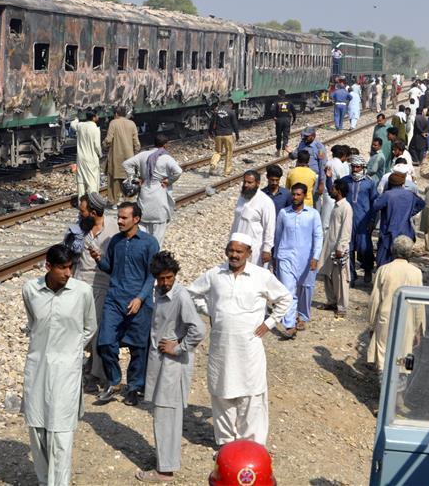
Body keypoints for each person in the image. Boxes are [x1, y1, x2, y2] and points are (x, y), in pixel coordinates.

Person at [187, 234, 292, 445]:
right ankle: (226, 444)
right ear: (226, 251)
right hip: (221, 347)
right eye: (231, 251)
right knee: (221, 393)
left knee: (251, 394)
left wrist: (269, 323)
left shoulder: (260, 276)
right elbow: (192, 293)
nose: (234, 255)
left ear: (248, 253)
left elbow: (285, 298)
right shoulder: (215, 274)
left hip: (249, 348)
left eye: (239, 251)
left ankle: (251, 445)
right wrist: (212, 311)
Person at [22, 244, 97, 486]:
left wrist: (73, 351)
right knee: (37, 429)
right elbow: (34, 323)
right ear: (48, 267)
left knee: (61, 433)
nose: (68, 273)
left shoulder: (82, 292)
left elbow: (90, 327)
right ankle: (45, 481)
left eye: (70, 267)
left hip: (67, 371)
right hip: (37, 368)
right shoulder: (30, 290)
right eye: (62, 268)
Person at [137, 251, 206, 484]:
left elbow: (198, 330)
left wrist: (178, 347)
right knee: (163, 414)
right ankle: (164, 460)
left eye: (169, 277)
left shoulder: (180, 297)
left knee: (167, 416)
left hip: (172, 367)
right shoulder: (160, 292)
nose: (165, 282)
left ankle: (165, 471)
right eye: (161, 278)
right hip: (161, 364)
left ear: (175, 274)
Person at [94, 203, 160, 406]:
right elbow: (110, 267)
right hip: (115, 299)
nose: (119, 221)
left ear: (136, 219)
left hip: (140, 302)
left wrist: (140, 298)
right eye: (119, 217)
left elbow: (152, 275)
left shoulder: (150, 243)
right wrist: (98, 259)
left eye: (123, 218)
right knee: (104, 342)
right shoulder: (116, 241)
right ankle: (114, 381)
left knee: (138, 347)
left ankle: (134, 387)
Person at [66, 192, 119, 388]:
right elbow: (70, 256)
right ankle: (90, 365)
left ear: (94, 212)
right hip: (79, 282)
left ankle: (97, 373)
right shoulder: (79, 229)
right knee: (78, 327)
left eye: (83, 211)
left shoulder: (113, 228)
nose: (80, 215)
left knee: (95, 330)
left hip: (102, 285)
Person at [367, 236, 423, 374]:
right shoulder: (416, 273)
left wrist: (371, 324)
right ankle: (397, 389)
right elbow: (418, 305)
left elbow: (375, 300)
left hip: (385, 319)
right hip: (407, 321)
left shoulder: (384, 270)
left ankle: (384, 387)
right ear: (410, 252)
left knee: (383, 355)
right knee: (403, 355)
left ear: (392, 250)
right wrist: (418, 329)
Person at [273, 183, 323, 337]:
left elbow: (318, 236)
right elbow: (278, 235)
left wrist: (315, 257)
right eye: (293, 194)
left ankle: (302, 316)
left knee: (305, 289)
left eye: (298, 194)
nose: (295, 197)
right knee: (288, 291)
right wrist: (275, 256)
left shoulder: (313, 214)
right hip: (285, 257)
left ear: (304, 195)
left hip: (306, 258)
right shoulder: (284, 213)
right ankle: (289, 325)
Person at [123, 134, 182, 247]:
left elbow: (126, 164)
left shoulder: (143, 154)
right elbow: (178, 171)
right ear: (165, 145)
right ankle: (154, 257)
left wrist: (134, 177)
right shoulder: (166, 157)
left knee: (142, 228)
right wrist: (169, 181)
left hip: (145, 192)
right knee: (158, 234)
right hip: (159, 193)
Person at [372, 172, 425, 267]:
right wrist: (410, 213)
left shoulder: (387, 195)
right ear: (402, 183)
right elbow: (421, 204)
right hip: (405, 233)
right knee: (402, 261)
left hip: (388, 233)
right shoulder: (410, 194)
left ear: (390, 183)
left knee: (384, 261)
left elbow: (375, 206)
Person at [319, 178, 353, 318]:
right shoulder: (336, 205)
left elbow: (346, 230)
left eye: (333, 188)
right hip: (329, 246)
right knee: (328, 275)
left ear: (338, 191)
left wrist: (341, 248)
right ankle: (332, 301)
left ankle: (342, 307)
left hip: (338, 248)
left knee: (340, 278)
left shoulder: (346, 207)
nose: (330, 190)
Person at [231, 171, 277, 266]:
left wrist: (267, 249)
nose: (246, 185)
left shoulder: (266, 202)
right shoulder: (241, 198)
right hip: (237, 246)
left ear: (258, 183)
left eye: (250, 182)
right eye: (245, 182)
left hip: (255, 249)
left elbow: (269, 227)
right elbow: (235, 222)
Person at [342, 156, 377, 284]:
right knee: (348, 248)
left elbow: (374, 202)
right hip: (348, 220)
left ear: (363, 168)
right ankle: (351, 274)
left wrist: (372, 220)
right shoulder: (345, 181)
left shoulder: (369, 183)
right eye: (353, 167)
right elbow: (335, 193)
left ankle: (367, 269)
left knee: (364, 247)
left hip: (363, 220)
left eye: (358, 167)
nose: (355, 170)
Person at [104, 106, 141, 206]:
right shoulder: (132, 123)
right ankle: (128, 201)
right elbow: (136, 143)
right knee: (128, 179)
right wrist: (136, 153)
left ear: (116, 114)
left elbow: (108, 140)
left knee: (114, 180)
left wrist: (104, 146)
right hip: (129, 157)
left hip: (115, 157)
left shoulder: (113, 123)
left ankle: (114, 203)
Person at [287, 127, 327, 206]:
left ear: (313, 136)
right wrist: (290, 153)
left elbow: (322, 166)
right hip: (301, 175)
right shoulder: (302, 143)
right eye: (304, 136)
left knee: (314, 199)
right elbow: (295, 155)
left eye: (307, 136)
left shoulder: (320, 147)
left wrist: (321, 183)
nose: (305, 138)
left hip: (313, 177)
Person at [70, 109, 103, 198]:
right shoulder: (95, 129)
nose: (98, 117)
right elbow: (97, 146)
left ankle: (81, 202)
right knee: (92, 182)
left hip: (80, 158)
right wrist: (100, 154)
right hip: (91, 158)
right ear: (93, 117)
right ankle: (93, 202)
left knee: (81, 182)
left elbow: (73, 124)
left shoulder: (80, 126)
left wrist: (76, 118)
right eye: (97, 116)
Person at [208, 100, 240, 176]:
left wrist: (210, 132)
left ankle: (213, 163)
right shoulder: (231, 112)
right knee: (229, 152)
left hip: (218, 135)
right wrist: (237, 134)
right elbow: (235, 124)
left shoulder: (216, 112)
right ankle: (226, 171)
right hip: (228, 135)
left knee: (218, 151)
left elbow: (212, 123)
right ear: (230, 104)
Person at [271, 89, 297, 156]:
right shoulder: (289, 102)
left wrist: (274, 117)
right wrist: (294, 119)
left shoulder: (276, 102)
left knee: (279, 136)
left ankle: (278, 151)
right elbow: (294, 111)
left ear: (278, 94)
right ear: (285, 94)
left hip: (279, 120)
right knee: (286, 136)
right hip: (287, 120)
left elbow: (272, 110)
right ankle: (284, 151)